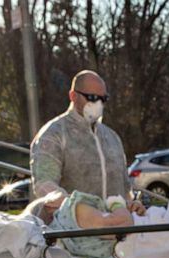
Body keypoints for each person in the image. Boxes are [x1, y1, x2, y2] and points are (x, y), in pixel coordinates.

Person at [30, 70, 144, 216]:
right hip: (72, 232)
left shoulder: (112, 138)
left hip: (117, 229)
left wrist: (132, 204)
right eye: (91, 97)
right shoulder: (54, 134)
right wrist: (76, 211)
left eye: (103, 99)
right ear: (73, 95)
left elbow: (125, 189)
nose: (97, 103)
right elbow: (45, 185)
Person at [37, 190, 133, 258]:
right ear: (50, 205)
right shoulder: (70, 208)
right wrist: (117, 204)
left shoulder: (61, 238)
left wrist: (130, 208)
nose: (66, 193)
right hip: (136, 246)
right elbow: (122, 224)